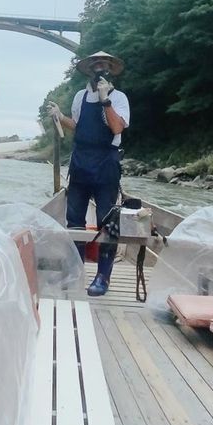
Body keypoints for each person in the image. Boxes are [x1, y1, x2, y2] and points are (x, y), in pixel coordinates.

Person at [48, 51, 130, 296]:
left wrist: (106, 99)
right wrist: (60, 117)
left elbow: (116, 127)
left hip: (107, 163)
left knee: (107, 223)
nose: (99, 69)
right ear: (90, 70)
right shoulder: (80, 96)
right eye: (95, 66)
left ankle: (102, 277)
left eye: (104, 65)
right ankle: (76, 272)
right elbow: (78, 125)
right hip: (81, 163)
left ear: (110, 69)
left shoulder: (120, 98)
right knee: (74, 221)